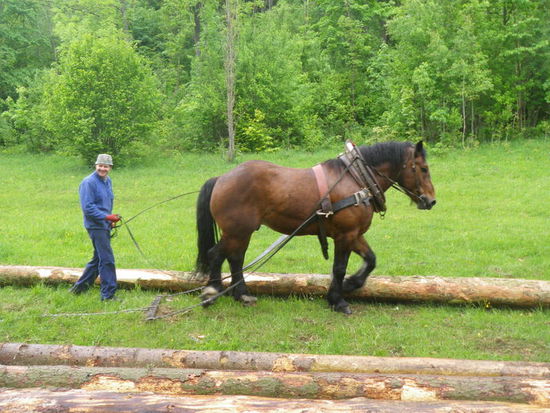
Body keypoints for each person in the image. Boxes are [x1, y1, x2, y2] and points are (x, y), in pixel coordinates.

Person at [70, 154, 121, 301]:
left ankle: (79, 289)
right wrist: (106, 217)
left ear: (110, 168)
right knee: (107, 260)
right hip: (95, 226)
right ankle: (108, 295)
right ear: (95, 165)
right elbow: (88, 208)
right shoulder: (88, 182)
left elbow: (106, 202)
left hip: (104, 224)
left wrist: (110, 219)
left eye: (106, 166)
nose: (102, 168)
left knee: (98, 259)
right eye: (100, 165)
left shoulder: (107, 180)